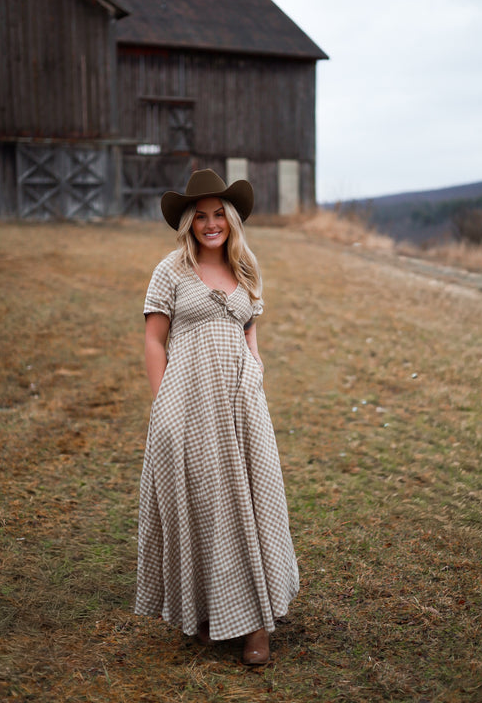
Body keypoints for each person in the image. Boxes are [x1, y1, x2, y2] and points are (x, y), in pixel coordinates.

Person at [135, 169, 299, 665]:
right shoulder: (171, 271)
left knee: (253, 499)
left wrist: (256, 364)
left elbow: (249, 325)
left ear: (230, 219)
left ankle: (255, 626)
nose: (210, 224)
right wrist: (162, 405)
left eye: (218, 215)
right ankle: (208, 610)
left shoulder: (246, 268)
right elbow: (152, 341)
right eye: (200, 216)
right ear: (189, 223)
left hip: (242, 402)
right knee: (205, 501)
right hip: (188, 403)